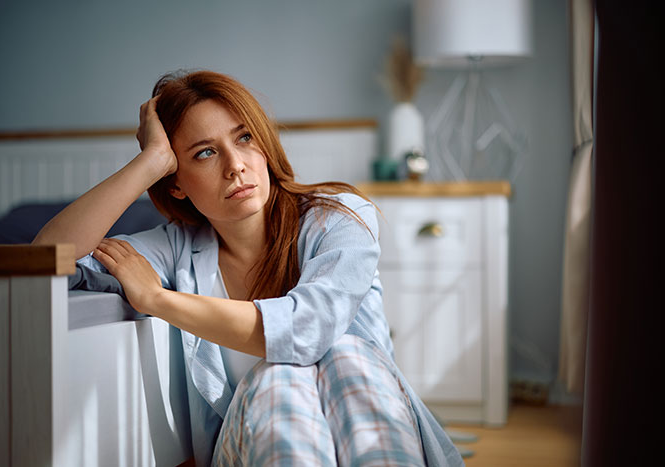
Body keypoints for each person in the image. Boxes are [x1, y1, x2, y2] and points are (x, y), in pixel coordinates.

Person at [33, 70, 462, 466]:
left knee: (346, 354)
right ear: (175, 182)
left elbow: (306, 331)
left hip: (365, 421)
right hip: (253, 440)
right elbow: (45, 259)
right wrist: (149, 162)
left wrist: (160, 301)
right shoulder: (173, 250)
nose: (235, 166)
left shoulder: (341, 219)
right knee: (279, 380)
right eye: (204, 153)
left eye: (244, 138)